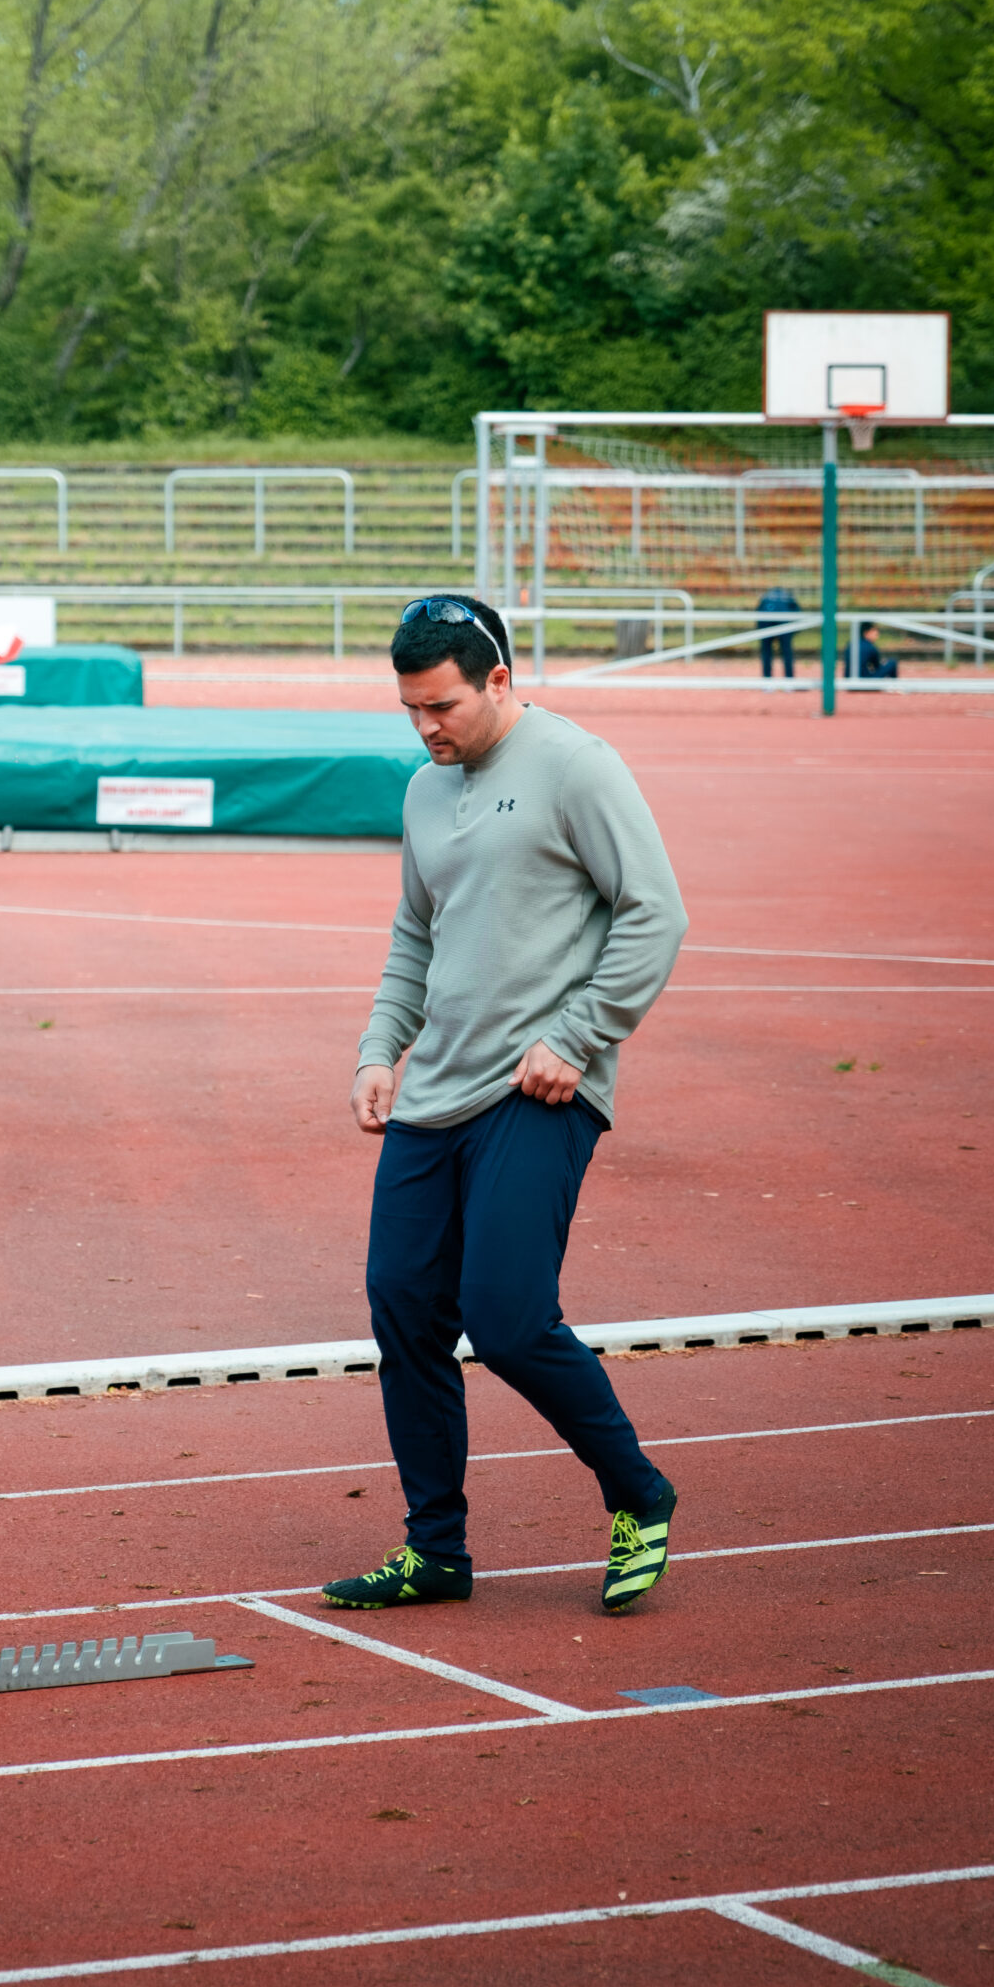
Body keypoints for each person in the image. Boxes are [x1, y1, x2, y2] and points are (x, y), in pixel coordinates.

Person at [324, 593, 689, 1620]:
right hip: (433, 1095)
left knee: (509, 1319)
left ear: (497, 679)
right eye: (409, 708)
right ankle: (434, 1549)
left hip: (539, 1088)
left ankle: (638, 1492)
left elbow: (655, 913)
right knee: (404, 1311)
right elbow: (416, 934)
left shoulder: (576, 765)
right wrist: (379, 1050)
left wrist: (577, 1037)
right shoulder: (423, 791)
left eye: (441, 705)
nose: (425, 727)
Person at [755, 585, 800, 678]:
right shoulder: (787, 597)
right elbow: (797, 612)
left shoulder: (766, 597)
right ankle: (789, 679)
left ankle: (767, 679)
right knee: (786, 651)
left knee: (766, 651)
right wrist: (792, 633)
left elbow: (758, 613)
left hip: (769, 622)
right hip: (782, 623)